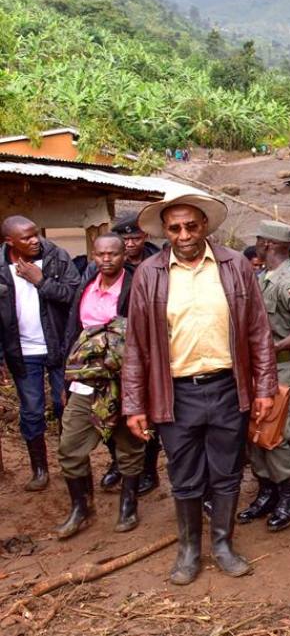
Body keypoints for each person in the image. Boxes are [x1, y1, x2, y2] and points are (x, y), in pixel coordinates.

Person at [123, 193, 277, 585]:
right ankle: (190, 550)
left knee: (226, 473)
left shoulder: (234, 265)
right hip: (175, 393)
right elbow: (137, 346)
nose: (184, 234)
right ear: (165, 232)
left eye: (191, 226)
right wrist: (133, 404)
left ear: (205, 225)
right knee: (185, 476)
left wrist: (264, 389)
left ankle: (223, 545)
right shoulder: (149, 274)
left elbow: (259, 332)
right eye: (174, 228)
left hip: (228, 387)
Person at [55, 233, 142, 538]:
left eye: (113, 254)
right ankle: (82, 507)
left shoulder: (134, 286)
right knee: (69, 447)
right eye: (101, 254)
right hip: (86, 380)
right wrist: (67, 380)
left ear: (123, 255)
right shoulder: (86, 284)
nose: (107, 260)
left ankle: (128, 505)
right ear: (94, 255)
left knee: (128, 445)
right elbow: (73, 331)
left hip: (121, 381)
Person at [237, 221, 290, 531]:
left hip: (283, 368)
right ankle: (267, 492)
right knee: (257, 432)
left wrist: (279, 347)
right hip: (262, 369)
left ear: (269, 245)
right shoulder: (265, 278)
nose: (256, 244)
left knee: (277, 434)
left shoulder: (288, 281)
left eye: (259, 240)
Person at [0, 216, 80, 492]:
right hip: (22, 352)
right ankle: (40, 469)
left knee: (64, 407)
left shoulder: (57, 256)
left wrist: (41, 281)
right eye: (26, 237)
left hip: (58, 346)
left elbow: (74, 295)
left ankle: (70, 463)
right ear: (10, 241)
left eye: (36, 234)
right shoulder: (0, 267)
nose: (35, 240)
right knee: (32, 411)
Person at [104, 212, 162, 496]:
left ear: (145, 237)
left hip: (149, 351)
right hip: (114, 354)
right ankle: (119, 464)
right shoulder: (110, 267)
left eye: (134, 238)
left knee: (148, 415)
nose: (129, 244)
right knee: (112, 411)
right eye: (124, 239)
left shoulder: (158, 264)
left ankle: (149, 470)